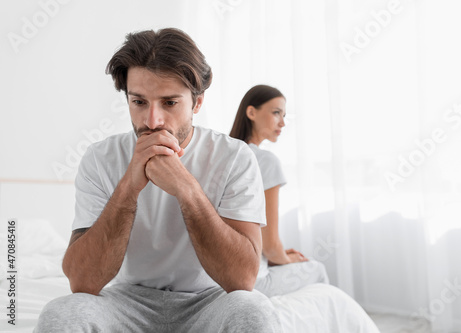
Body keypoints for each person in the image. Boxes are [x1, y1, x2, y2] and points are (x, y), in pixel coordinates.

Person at [34, 28, 282, 333]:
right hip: (126, 302)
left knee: (254, 310)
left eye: (169, 103)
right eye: (139, 102)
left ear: (198, 102)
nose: (152, 121)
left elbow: (242, 280)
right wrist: (129, 186)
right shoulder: (100, 159)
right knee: (61, 313)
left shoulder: (235, 157)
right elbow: (82, 281)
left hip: (210, 301)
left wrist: (186, 189)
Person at [229, 85, 329, 297]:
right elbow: (270, 246)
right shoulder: (265, 161)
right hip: (252, 280)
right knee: (317, 269)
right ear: (251, 112)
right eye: (276, 113)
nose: (282, 123)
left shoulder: (224, 155)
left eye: (284, 115)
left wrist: (279, 255)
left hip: (218, 275)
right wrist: (284, 257)